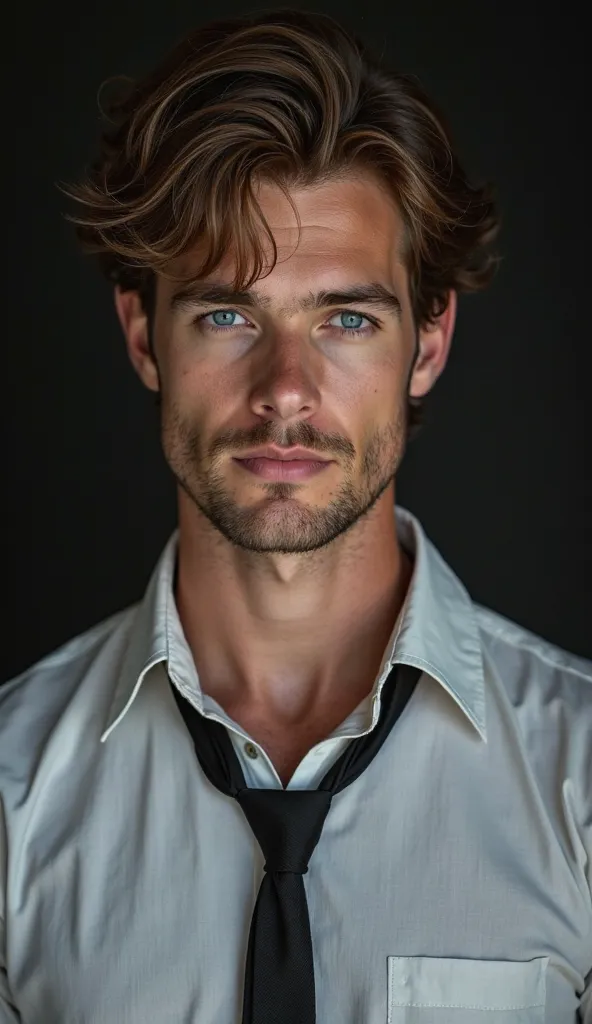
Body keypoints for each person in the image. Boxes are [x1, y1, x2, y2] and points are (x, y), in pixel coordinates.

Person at [1, 8, 590, 1023]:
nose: (285, 389)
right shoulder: (12, 795)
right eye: (228, 314)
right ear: (143, 335)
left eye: (346, 319)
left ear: (431, 339)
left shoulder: (578, 779)